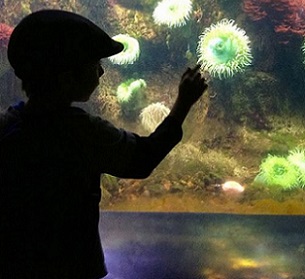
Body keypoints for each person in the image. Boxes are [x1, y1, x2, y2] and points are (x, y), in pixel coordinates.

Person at [0, 9, 208, 279]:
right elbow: (142, 159)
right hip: (74, 265)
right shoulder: (83, 133)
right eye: (94, 64)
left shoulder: (7, 126)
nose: (101, 71)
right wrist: (183, 104)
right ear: (66, 79)